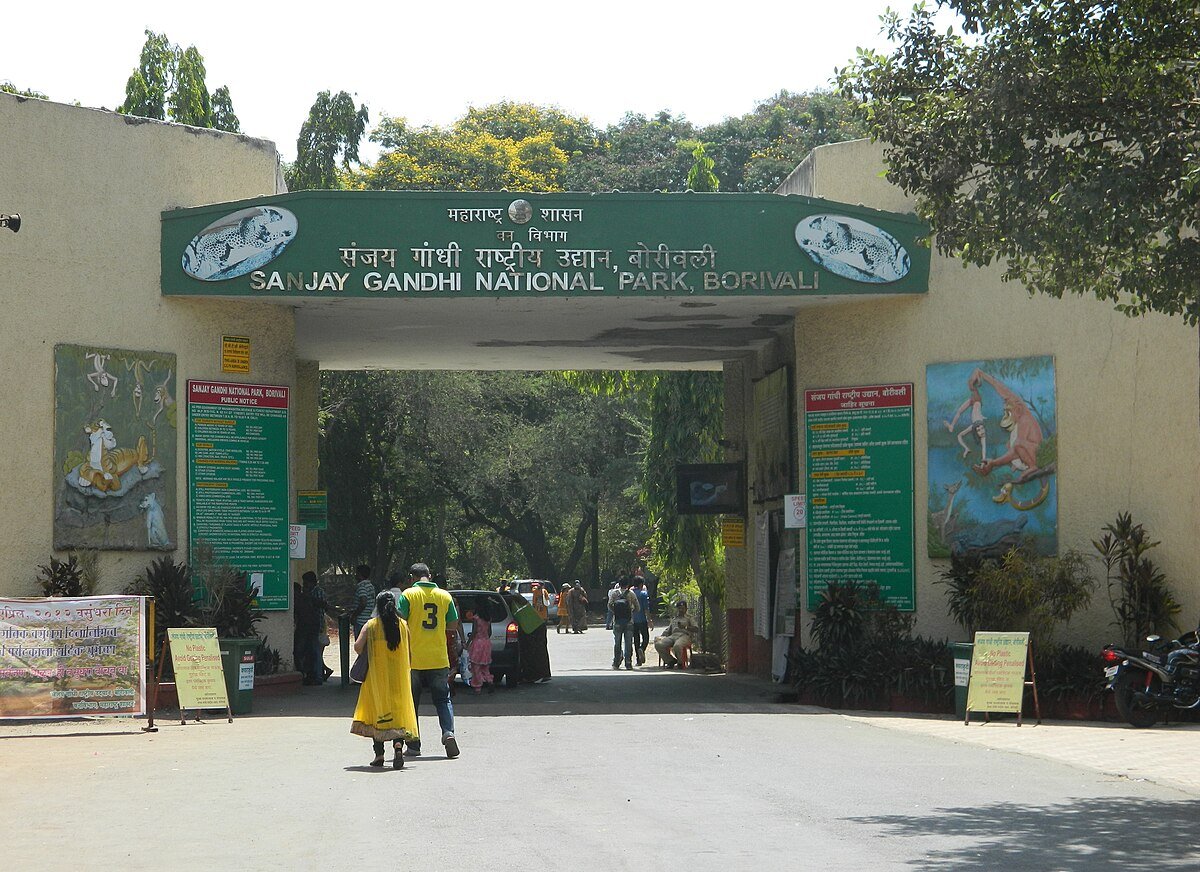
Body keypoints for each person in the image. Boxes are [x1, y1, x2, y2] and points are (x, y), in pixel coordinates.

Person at [349, 591, 418, 769]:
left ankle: (379, 754)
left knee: (376, 712)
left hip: (375, 677)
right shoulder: (403, 625)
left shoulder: (371, 625)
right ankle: (398, 745)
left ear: (377, 606)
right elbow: (409, 653)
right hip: (398, 677)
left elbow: (357, 647)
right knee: (397, 711)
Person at [399, 562, 460, 759]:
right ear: (430, 576)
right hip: (438, 657)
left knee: (411, 703)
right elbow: (452, 625)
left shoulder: (408, 595)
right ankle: (448, 733)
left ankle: (414, 745)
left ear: (411, 578)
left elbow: (399, 621)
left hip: (412, 659)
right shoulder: (445, 596)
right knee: (443, 699)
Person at [655, 600, 700, 669]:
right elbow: (668, 630)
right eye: (679, 608)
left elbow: (696, 629)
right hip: (673, 636)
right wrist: (661, 636)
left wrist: (685, 627)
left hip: (684, 636)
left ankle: (680, 662)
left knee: (677, 646)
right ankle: (670, 661)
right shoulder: (674, 618)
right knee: (659, 645)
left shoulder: (689, 618)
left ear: (686, 609)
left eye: (683, 608)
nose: (681, 610)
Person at [610, 575, 640, 670]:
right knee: (628, 642)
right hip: (629, 621)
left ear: (619, 584)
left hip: (617, 621)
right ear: (627, 584)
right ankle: (628, 662)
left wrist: (616, 612)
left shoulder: (614, 593)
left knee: (617, 642)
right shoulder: (631, 594)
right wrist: (631, 612)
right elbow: (637, 607)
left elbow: (609, 605)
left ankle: (616, 661)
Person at [464, 608, 494, 693]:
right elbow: (490, 632)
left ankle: (478, 687)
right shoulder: (488, 618)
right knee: (485, 667)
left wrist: (467, 643)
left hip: (477, 643)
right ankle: (489, 680)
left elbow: (474, 632)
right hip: (486, 643)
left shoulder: (476, 618)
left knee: (476, 667)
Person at [349, 564, 377, 638]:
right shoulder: (371, 586)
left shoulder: (361, 586)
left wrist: (354, 615)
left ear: (359, 574)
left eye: (356, 573)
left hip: (360, 621)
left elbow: (363, 602)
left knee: (360, 645)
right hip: (369, 619)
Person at [631, 577, 653, 666]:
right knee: (646, 638)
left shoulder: (631, 593)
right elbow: (646, 609)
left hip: (633, 620)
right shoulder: (643, 594)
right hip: (642, 619)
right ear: (641, 584)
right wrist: (649, 620)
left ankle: (638, 660)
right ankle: (642, 648)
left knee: (636, 639)